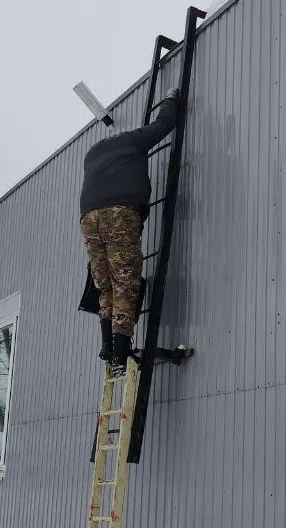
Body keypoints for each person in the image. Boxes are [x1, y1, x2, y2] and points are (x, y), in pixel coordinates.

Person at [79, 88, 181, 374]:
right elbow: (164, 125)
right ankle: (119, 353)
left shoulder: (93, 153)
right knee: (126, 280)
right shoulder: (133, 142)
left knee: (105, 284)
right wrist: (171, 101)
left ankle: (107, 346)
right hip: (118, 212)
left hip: (89, 218)